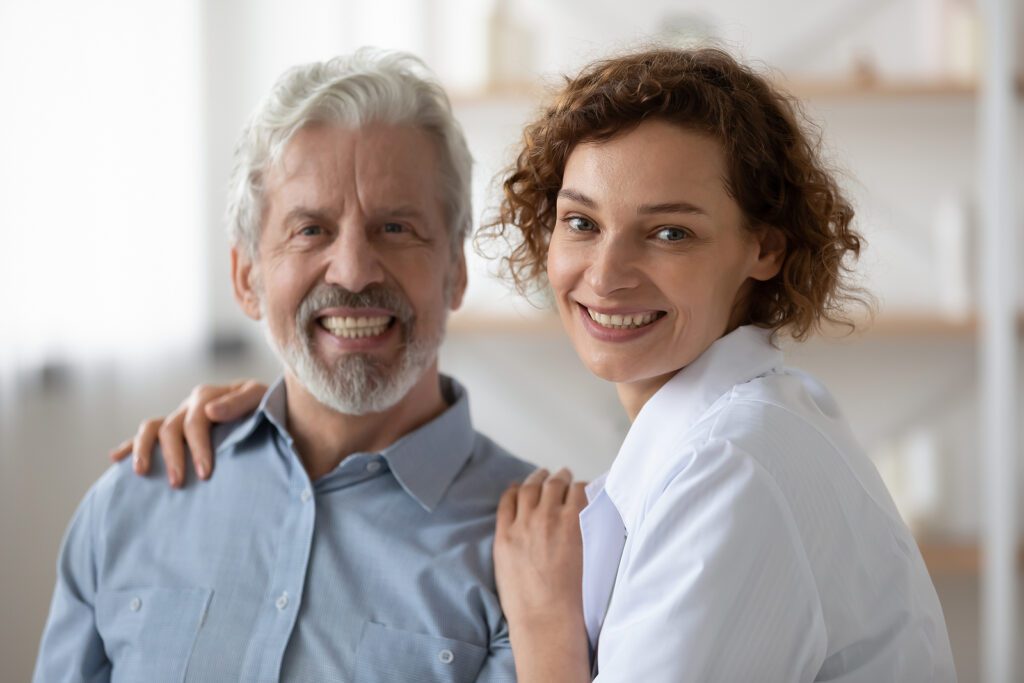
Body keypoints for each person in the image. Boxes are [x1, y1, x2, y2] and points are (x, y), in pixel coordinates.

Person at [116, 48, 956, 682]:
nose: (607, 272)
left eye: (670, 231)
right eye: (582, 222)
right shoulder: (709, 442)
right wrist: (274, 420)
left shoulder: (734, 466)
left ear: (764, 246)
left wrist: (550, 633)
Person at [35, 49, 532, 683]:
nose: (353, 272)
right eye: (310, 230)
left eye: (395, 227)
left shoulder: (532, 551)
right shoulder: (131, 501)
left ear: (456, 273)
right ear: (247, 278)